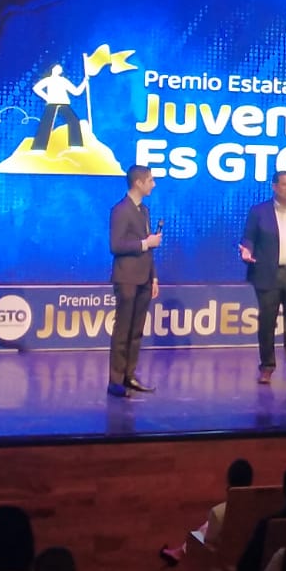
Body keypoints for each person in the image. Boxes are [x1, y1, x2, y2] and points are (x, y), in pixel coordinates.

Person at [239, 170, 286, 386]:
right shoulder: (259, 211)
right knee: (267, 323)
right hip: (267, 274)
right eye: (284, 184)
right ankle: (267, 367)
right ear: (274, 187)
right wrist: (247, 250)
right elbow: (248, 237)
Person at [106, 165, 160, 397]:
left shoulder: (144, 210)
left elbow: (149, 247)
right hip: (127, 278)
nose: (153, 185)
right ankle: (116, 380)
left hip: (144, 277)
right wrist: (145, 244)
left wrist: (154, 277)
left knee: (136, 330)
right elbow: (116, 245)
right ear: (138, 182)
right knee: (123, 330)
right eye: (150, 180)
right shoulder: (120, 210)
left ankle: (130, 375)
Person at [32, 63, 85, 152]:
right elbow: (36, 88)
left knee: (74, 121)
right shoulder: (48, 80)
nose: (59, 70)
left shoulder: (63, 80)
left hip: (64, 103)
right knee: (46, 124)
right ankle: (38, 147)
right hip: (52, 103)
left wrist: (84, 83)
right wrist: (47, 97)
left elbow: (76, 92)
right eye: (57, 68)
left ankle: (75, 144)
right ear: (52, 69)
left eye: (60, 69)